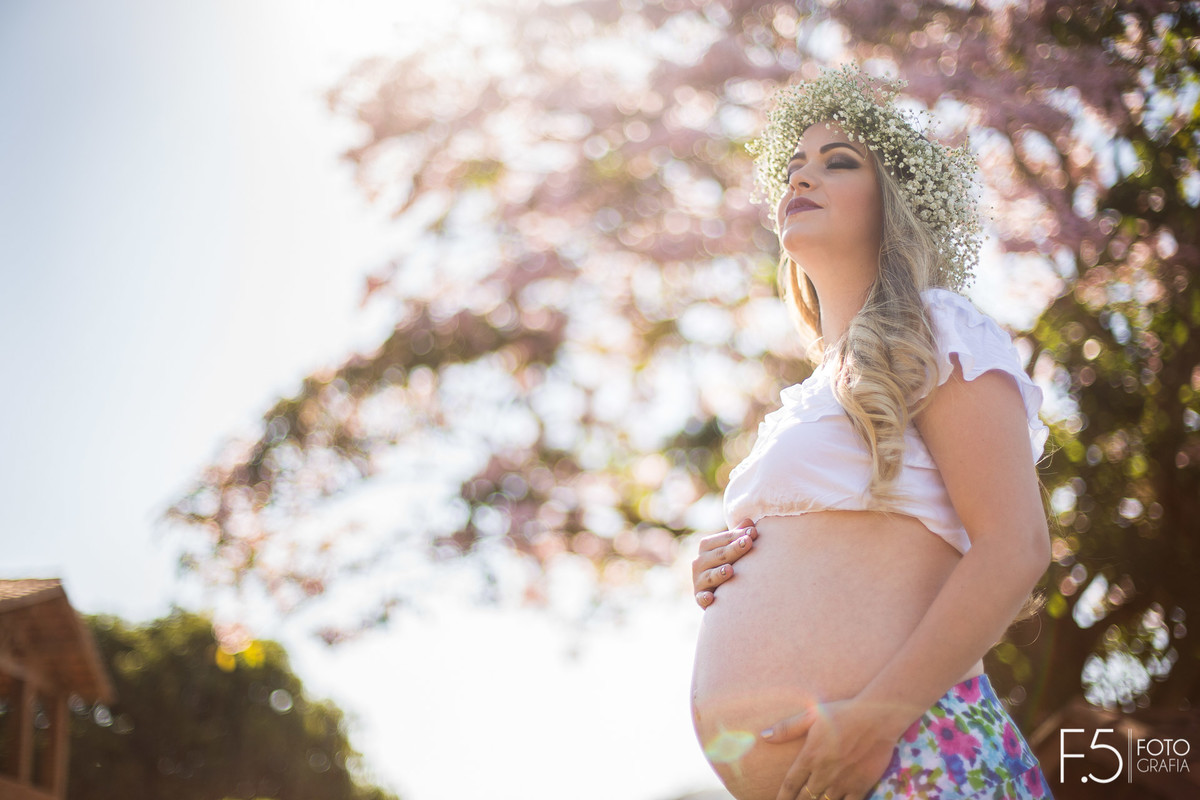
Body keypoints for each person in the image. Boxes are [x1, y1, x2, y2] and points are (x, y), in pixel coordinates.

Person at [688, 64, 1057, 800]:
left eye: (839, 162)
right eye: (794, 166)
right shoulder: (806, 396)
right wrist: (724, 570)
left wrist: (876, 721)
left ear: (894, 204)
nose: (804, 176)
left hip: (916, 751)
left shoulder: (938, 328)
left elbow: (1017, 545)